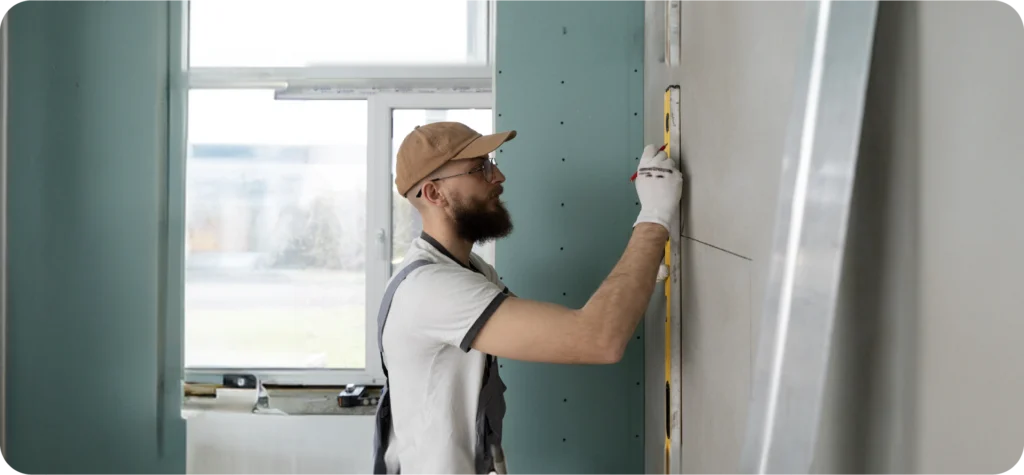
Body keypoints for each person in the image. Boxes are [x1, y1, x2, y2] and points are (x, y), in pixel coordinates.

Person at [372, 121, 683, 475]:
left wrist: (642, 271)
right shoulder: (431, 289)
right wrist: (654, 217)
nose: (499, 176)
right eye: (480, 168)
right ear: (434, 193)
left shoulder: (469, 269)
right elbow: (597, 339)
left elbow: (563, 330)